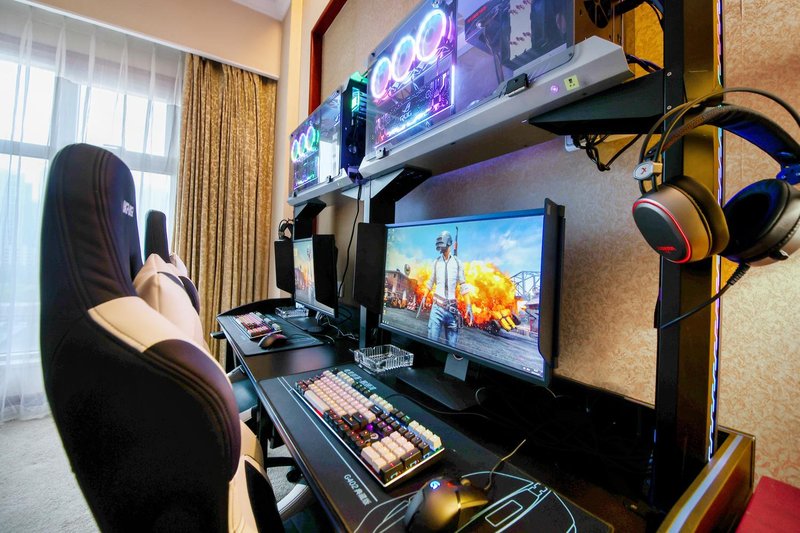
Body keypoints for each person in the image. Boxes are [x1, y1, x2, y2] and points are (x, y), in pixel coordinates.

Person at [417, 230, 473, 347]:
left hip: (452, 311)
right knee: (432, 345)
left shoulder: (458, 263)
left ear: (449, 242)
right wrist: (424, 297)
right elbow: (430, 282)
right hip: (437, 309)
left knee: (452, 348)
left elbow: (463, 286)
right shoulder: (436, 262)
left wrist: (469, 306)